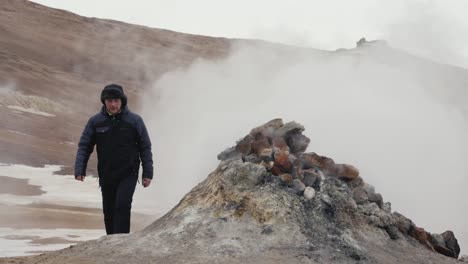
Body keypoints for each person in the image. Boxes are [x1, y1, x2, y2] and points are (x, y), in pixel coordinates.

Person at [74, 84, 153, 235]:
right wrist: (79, 169)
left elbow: (145, 147)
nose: (113, 104)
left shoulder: (135, 121)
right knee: (109, 211)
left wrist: (147, 173)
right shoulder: (95, 122)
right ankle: (111, 241)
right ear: (104, 102)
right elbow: (84, 146)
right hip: (107, 174)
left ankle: (121, 241)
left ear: (122, 101)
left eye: (116, 100)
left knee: (122, 206)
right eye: (109, 101)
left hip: (128, 173)